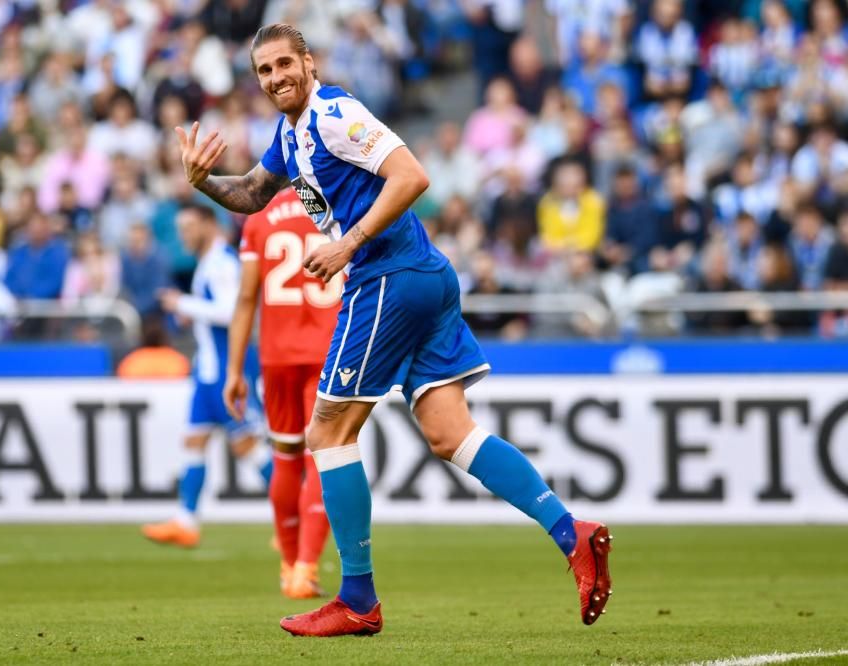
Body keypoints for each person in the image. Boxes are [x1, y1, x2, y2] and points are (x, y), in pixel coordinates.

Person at [173, 23, 613, 637]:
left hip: (387, 275)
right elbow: (250, 193)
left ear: (309, 61)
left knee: (326, 432)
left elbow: (412, 175)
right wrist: (202, 185)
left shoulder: (333, 112)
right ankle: (575, 535)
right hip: (421, 274)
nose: (276, 79)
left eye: (283, 65)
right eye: (264, 72)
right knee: (448, 432)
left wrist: (347, 244)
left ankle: (357, 598)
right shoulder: (291, 134)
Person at [223, 187, 340, 599]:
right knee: (326, 459)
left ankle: (288, 567)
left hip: (275, 357)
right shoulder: (338, 206)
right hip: (329, 352)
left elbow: (246, 298)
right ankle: (306, 568)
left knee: (286, 458)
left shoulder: (258, 217)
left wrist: (235, 369)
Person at [141, 204, 272, 549]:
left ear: (210, 224)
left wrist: (182, 305)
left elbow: (232, 312)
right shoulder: (209, 263)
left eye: (190, 227)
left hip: (227, 370)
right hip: (208, 370)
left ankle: (297, 517)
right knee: (194, 441)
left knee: (247, 446)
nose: (183, 235)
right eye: (181, 228)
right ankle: (186, 521)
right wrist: (191, 312)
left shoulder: (223, 263)